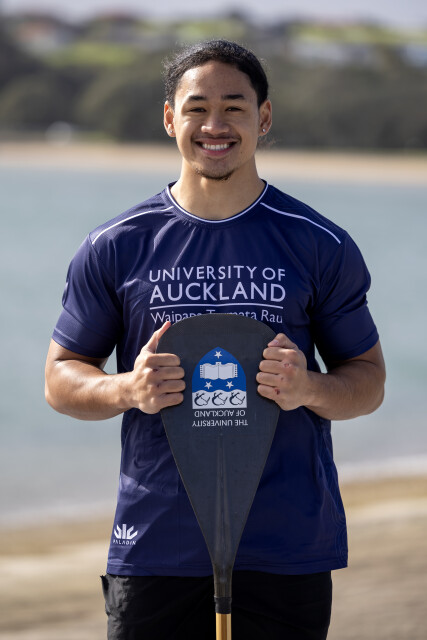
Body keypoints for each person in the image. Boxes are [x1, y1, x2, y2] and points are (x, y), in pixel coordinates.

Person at [45, 40, 385, 640]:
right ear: (170, 118)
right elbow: (61, 378)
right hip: (156, 541)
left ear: (264, 117)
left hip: (285, 544)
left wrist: (307, 387)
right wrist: (127, 388)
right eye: (197, 108)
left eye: (234, 107)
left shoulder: (317, 243)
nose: (215, 126)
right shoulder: (117, 245)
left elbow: (368, 381)